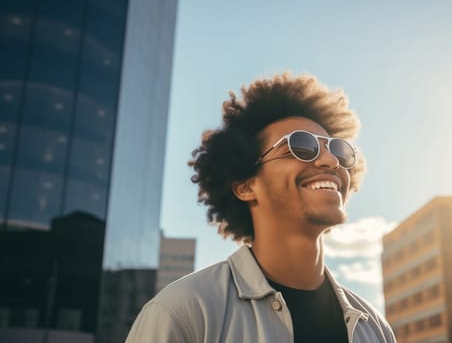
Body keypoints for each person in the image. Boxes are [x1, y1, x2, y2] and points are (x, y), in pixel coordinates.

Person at [126, 73, 396, 343]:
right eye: (301, 146)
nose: (330, 161)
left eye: (339, 151)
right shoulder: (184, 313)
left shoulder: (375, 330)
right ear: (245, 186)